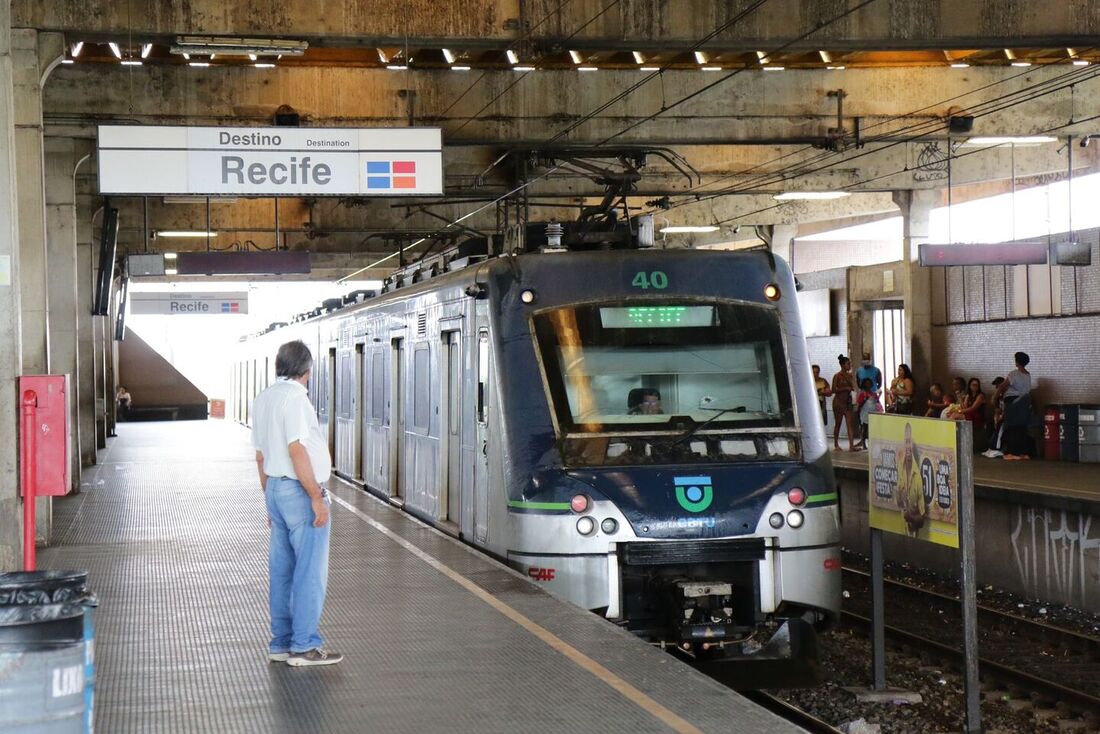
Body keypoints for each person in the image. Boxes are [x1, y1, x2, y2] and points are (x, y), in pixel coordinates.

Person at [252, 340, 342, 667]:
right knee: (309, 572)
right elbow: (297, 450)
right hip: (299, 492)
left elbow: (260, 456)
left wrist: (268, 502)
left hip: (275, 488)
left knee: (282, 572)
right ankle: (303, 646)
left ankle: (281, 642)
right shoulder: (295, 399)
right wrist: (316, 498)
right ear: (306, 371)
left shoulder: (263, 399)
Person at [994, 352, 1033, 461]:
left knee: (1011, 427)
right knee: (1021, 428)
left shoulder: (1014, 374)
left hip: (1013, 402)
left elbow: (1002, 386)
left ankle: (1012, 452)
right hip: (1024, 403)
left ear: (1017, 361)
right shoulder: (1028, 375)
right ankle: (1023, 452)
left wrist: (995, 397)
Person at [897, 423, 927, 536]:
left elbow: (922, 519)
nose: (908, 446)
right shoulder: (899, 467)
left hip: (912, 535)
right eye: (906, 441)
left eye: (910, 442)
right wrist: (899, 495)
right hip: (898, 532)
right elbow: (898, 502)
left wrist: (911, 518)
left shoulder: (918, 477)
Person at [831, 354, 858, 451]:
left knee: (849, 424)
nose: (850, 365)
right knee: (838, 423)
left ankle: (851, 445)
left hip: (848, 402)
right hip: (839, 402)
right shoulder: (837, 376)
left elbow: (853, 387)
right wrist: (845, 388)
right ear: (842, 365)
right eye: (848, 364)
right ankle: (836, 444)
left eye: (849, 363)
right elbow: (833, 390)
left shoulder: (850, 376)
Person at [855, 377, 883, 450]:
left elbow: (877, 402)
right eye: (867, 383)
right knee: (864, 428)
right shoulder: (862, 394)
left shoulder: (873, 393)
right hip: (864, 414)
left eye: (870, 383)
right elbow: (859, 404)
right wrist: (857, 413)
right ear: (864, 385)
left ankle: (871, 443)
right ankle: (863, 443)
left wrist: (879, 395)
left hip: (872, 413)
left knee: (872, 429)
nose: (868, 385)